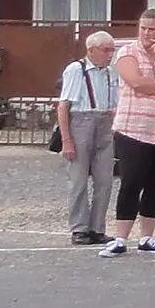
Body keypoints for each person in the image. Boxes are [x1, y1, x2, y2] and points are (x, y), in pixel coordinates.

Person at [104, 8, 155, 257]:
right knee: (131, 181)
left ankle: (147, 237)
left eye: (151, 29)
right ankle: (120, 237)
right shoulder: (127, 52)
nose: (146, 34)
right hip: (134, 126)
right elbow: (136, 82)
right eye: (142, 28)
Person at [55, 29, 119, 244]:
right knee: (78, 179)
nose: (109, 54)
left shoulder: (111, 72)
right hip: (81, 120)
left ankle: (97, 227)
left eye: (112, 50)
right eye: (105, 50)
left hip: (105, 121)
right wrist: (67, 140)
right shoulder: (76, 70)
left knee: (105, 179)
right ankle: (80, 228)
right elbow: (64, 106)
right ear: (91, 50)